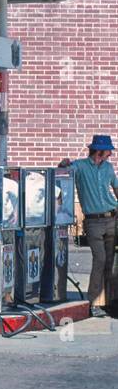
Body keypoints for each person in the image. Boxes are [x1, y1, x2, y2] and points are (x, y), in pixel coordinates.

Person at [60, 135, 118, 316]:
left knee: (110, 262)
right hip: (93, 221)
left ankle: (109, 302)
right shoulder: (80, 166)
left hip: (112, 217)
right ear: (99, 150)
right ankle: (91, 303)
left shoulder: (108, 168)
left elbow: (116, 188)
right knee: (100, 259)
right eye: (108, 150)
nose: (110, 154)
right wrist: (63, 164)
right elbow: (64, 172)